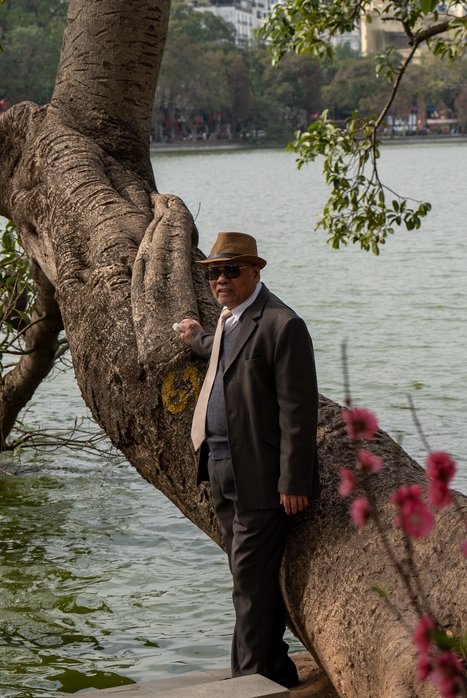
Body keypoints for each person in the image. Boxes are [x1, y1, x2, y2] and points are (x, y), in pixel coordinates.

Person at [176, 231, 319, 688]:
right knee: (247, 576)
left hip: (260, 475)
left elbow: (299, 411)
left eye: (231, 270)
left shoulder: (282, 324)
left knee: (249, 585)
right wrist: (196, 338)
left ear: (255, 272)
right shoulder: (228, 321)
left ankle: (247, 683)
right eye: (215, 272)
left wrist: (294, 480)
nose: (221, 279)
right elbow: (221, 353)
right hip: (219, 466)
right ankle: (275, 669)